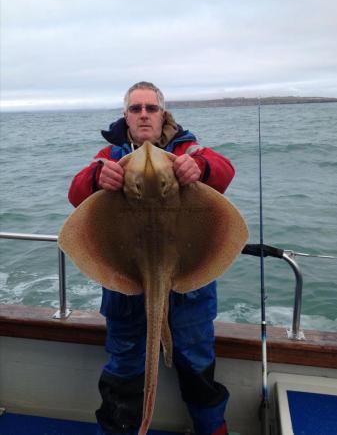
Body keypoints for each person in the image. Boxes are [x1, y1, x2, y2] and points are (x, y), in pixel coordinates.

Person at [68, 82, 235, 435]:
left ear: (163, 114)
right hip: (127, 291)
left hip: (189, 294)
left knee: (198, 368)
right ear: (125, 116)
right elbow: (76, 193)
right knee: (125, 371)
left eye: (151, 108)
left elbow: (223, 170)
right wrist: (98, 177)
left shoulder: (191, 149)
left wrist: (200, 168)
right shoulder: (109, 156)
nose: (144, 114)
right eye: (135, 108)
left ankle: (212, 429)